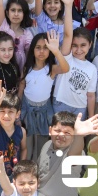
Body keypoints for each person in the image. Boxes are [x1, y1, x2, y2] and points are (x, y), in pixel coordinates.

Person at [19, 31, 70, 160]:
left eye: (45, 48)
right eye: (38, 47)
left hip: (44, 110)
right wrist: (18, 106)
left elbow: (65, 68)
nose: (42, 51)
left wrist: (56, 51)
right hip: (28, 109)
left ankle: (38, 168)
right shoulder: (27, 68)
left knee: (42, 143)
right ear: (33, 50)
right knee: (28, 141)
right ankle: (27, 167)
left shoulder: (51, 69)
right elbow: (22, 86)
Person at [52, 28, 97, 118]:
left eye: (83, 45)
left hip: (80, 108)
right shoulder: (66, 58)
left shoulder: (93, 68)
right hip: (61, 103)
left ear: (90, 44)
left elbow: (91, 95)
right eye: (75, 45)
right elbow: (67, 35)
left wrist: (91, 117)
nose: (79, 50)